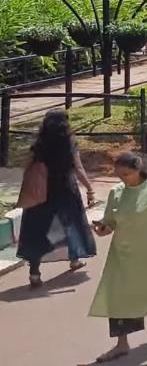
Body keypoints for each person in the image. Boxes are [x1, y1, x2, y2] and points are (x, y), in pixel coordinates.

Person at [88, 153, 147, 363]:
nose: (122, 178)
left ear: (138, 169)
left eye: (126, 174)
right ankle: (122, 344)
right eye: (119, 175)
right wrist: (103, 228)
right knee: (118, 296)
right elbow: (111, 222)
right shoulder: (116, 192)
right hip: (121, 255)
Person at [18, 110, 97, 289]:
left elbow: (27, 166)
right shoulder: (69, 144)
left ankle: (35, 273)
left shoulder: (38, 144)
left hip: (40, 192)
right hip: (65, 190)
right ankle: (75, 260)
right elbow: (78, 169)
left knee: (37, 230)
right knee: (71, 226)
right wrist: (90, 189)